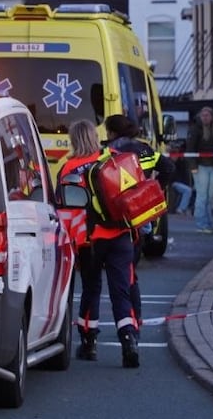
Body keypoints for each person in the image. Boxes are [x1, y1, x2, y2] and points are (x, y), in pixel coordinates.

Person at [57, 119, 141, 368]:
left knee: (91, 290)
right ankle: (129, 340)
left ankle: (88, 343)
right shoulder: (113, 157)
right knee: (121, 291)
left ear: (73, 140)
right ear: (95, 136)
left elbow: (66, 210)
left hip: (90, 241)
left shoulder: (69, 168)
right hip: (121, 236)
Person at [103, 114, 173, 330]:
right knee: (131, 272)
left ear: (112, 132)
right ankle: (136, 320)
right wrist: (153, 190)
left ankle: (122, 324)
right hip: (140, 216)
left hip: (115, 217)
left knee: (113, 276)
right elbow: (169, 167)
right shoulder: (145, 149)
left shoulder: (107, 152)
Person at [186, 106, 213, 233]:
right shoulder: (195, 129)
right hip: (201, 166)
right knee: (202, 196)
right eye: (203, 115)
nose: (205, 118)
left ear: (211, 116)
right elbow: (190, 149)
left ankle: (208, 223)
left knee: (211, 196)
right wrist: (193, 167)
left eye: (207, 115)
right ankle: (202, 223)